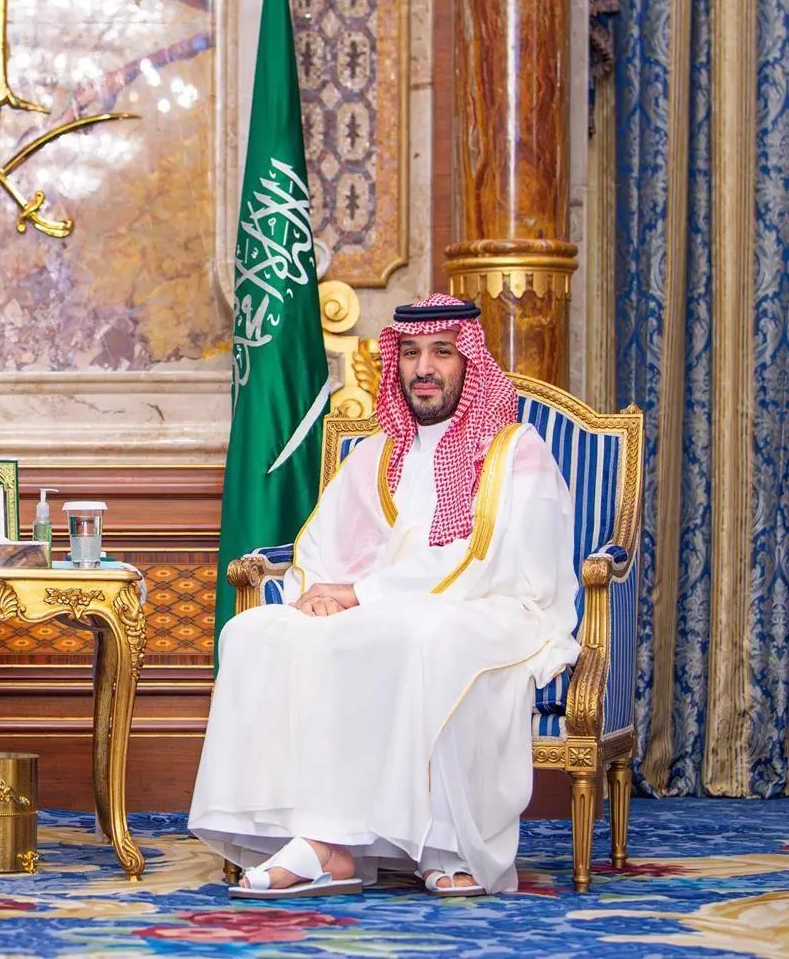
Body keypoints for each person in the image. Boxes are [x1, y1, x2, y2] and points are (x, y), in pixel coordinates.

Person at [190, 294, 580, 898]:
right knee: (255, 631)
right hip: (381, 612)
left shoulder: (513, 450)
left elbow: (490, 559)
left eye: (441, 352)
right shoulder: (376, 454)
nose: (424, 368)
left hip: (495, 611)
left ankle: (440, 845)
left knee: (415, 634)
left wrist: (359, 594)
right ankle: (318, 841)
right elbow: (323, 545)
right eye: (411, 352)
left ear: (468, 361)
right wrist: (317, 597)